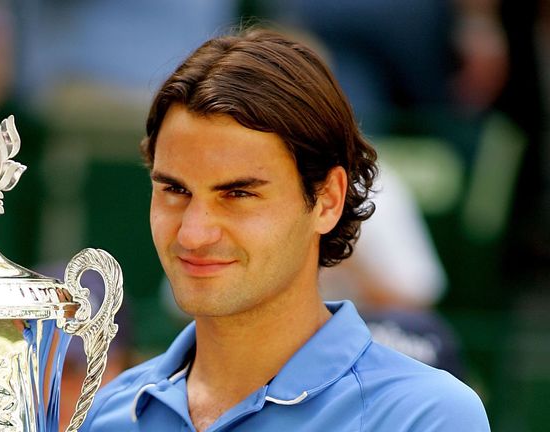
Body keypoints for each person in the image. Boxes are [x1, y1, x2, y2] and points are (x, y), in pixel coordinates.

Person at [80, 29, 489, 431]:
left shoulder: (425, 416)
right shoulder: (104, 414)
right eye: (175, 190)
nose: (193, 234)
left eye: (238, 194)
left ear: (328, 200)